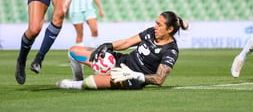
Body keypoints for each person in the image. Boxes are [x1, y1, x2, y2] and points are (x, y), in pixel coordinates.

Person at [56, 11, 188, 90]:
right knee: (73, 51)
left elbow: (159, 79)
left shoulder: (171, 51)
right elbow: (127, 42)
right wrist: (109, 46)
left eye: (159, 25)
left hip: (131, 78)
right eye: (156, 22)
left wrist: (133, 75)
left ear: (170, 29)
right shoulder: (150, 33)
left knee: (90, 82)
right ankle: (77, 78)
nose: (155, 27)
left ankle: (77, 84)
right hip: (121, 60)